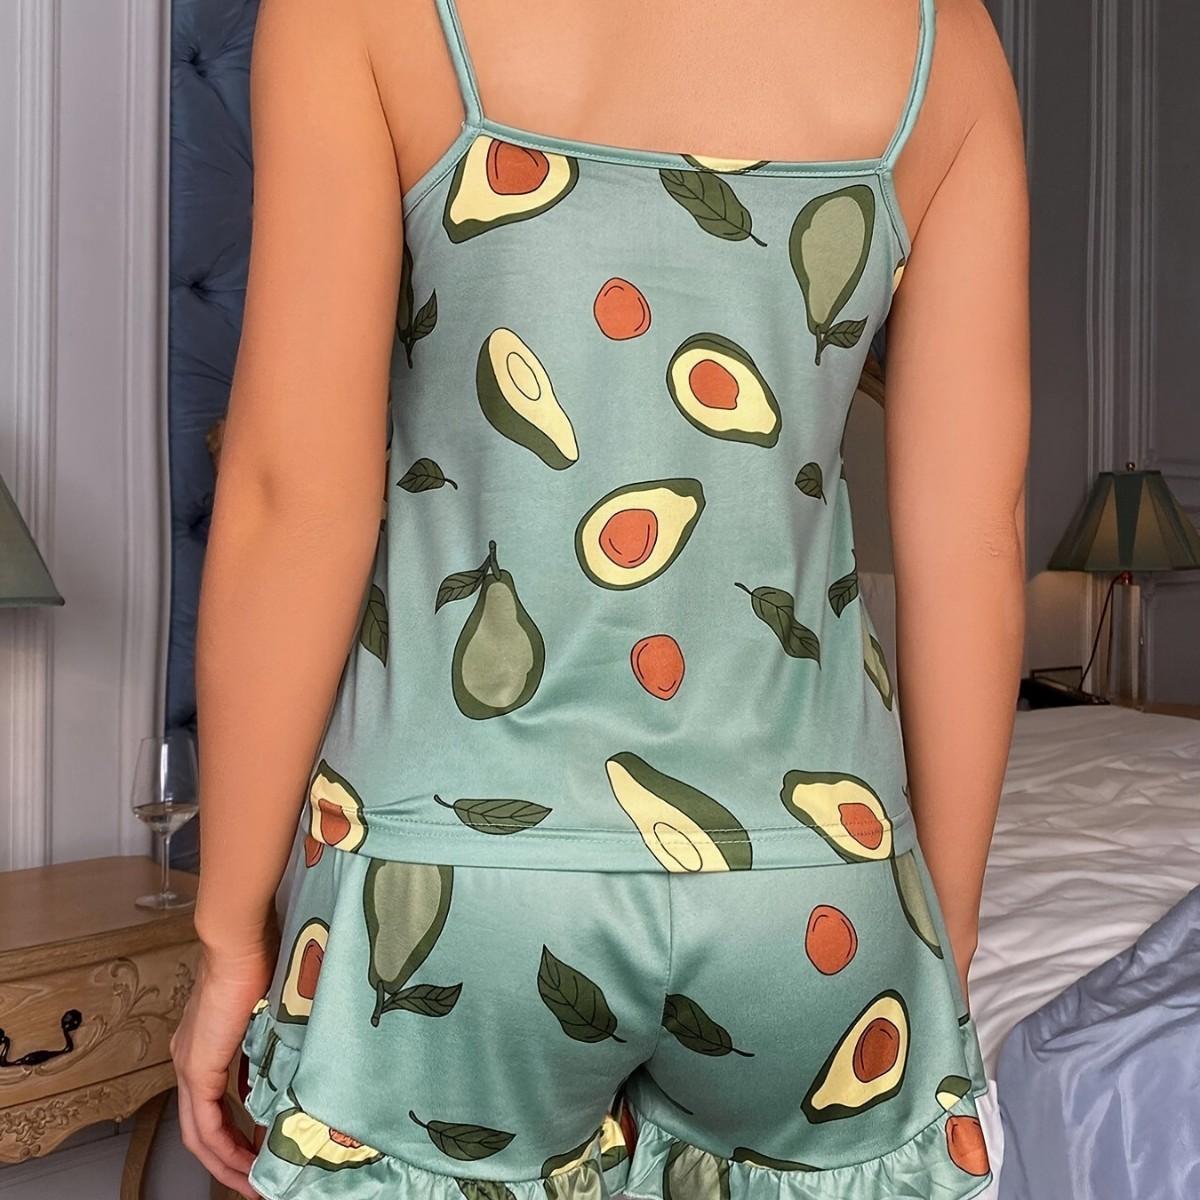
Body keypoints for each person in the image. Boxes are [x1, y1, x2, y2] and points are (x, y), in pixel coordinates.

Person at [170, 0, 1029, 1196]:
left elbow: (290, 498)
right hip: (818, 877)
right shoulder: (950, 42)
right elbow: (973, 545)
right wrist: (949, 928)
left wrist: (228, 939)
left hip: (451, 863)